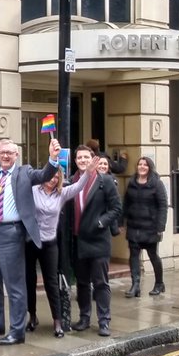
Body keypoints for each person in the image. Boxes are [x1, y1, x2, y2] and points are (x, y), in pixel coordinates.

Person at [0, 131, 60, 345]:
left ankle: (17, 331)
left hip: (11, 234)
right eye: (2, 152)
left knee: (14, 285)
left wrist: (53, 158)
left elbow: (45, 174)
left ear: (16, 155)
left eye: (10, 152)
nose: (5, 156)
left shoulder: (25, 172)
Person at [26, 165, 93, 337]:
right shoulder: (33, 190)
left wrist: (87, 172)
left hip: (50, 243)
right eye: (51, 176)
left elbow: (78, 187)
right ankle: (32, 316)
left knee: (52, 282)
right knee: (29, 281)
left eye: (57, 177)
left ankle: (57, 320)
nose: (53, 179)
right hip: (31, 241)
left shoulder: (62, 193)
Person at [66, 143, 123, 336]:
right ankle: (84, 318)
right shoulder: (70, 182)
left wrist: (101, 222)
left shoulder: (105, 181)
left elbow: (116, 209)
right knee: (82, 283)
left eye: (86, 157)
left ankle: (104, 321)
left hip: (98, 240)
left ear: (93, 160)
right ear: (75, 161)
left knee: (100, 283)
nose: (83, 160)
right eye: (79, 158)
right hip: (78, 240)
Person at [121, 156, 169, 297]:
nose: (142, 167)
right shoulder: (132, 182)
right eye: (140, 164)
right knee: (134, 256)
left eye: (145, 165)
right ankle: (135, 285)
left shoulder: (156, 184)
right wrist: (121, 221)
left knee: (153, 255)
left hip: (151, 227)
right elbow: (126, 203)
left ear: (150, 167)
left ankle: (159, 283)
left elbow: (163, 206)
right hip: (134, 226)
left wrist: (160, 226)